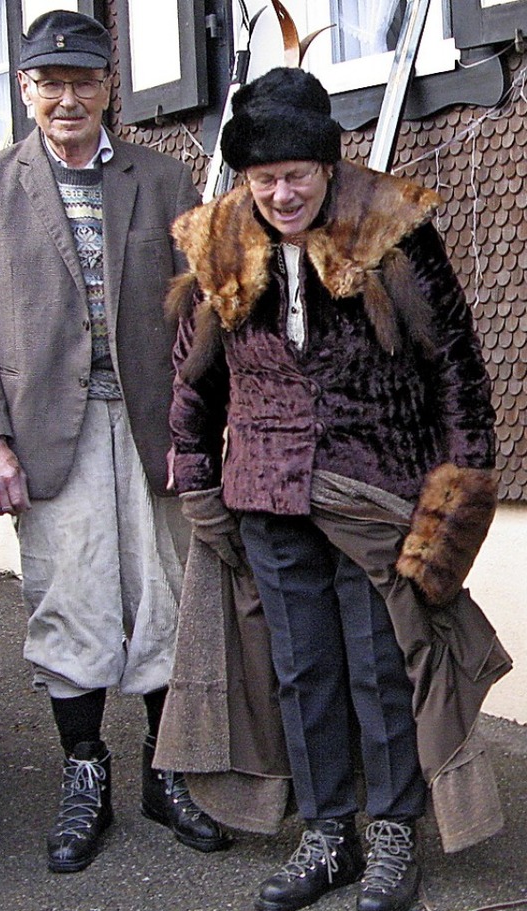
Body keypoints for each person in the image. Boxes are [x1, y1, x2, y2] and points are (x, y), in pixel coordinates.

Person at [167, 67, 511, 911]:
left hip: (375, 489)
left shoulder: (392, 231)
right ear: (245, 178)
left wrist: (459, 499)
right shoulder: (218, 240)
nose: (281, 194)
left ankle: (394, 833)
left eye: (297, 175)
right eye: (264, 179)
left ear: (329, 165)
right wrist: (197, 479)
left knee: (378, 665)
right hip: (266, 490)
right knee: (301, 669)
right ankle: (328, 835)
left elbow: (458, 371)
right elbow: (194, 381)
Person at [0, 8, 230, 875]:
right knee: (69, 602)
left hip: (152, 431)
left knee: (164, 599)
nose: (69, 98)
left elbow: (203, 320)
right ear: (26, 90)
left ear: (112, 87)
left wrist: (199, 429)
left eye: (86, 81)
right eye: (51, 82)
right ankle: (84, 773)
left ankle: (162, 774)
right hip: (47, 438)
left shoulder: (166, 178)